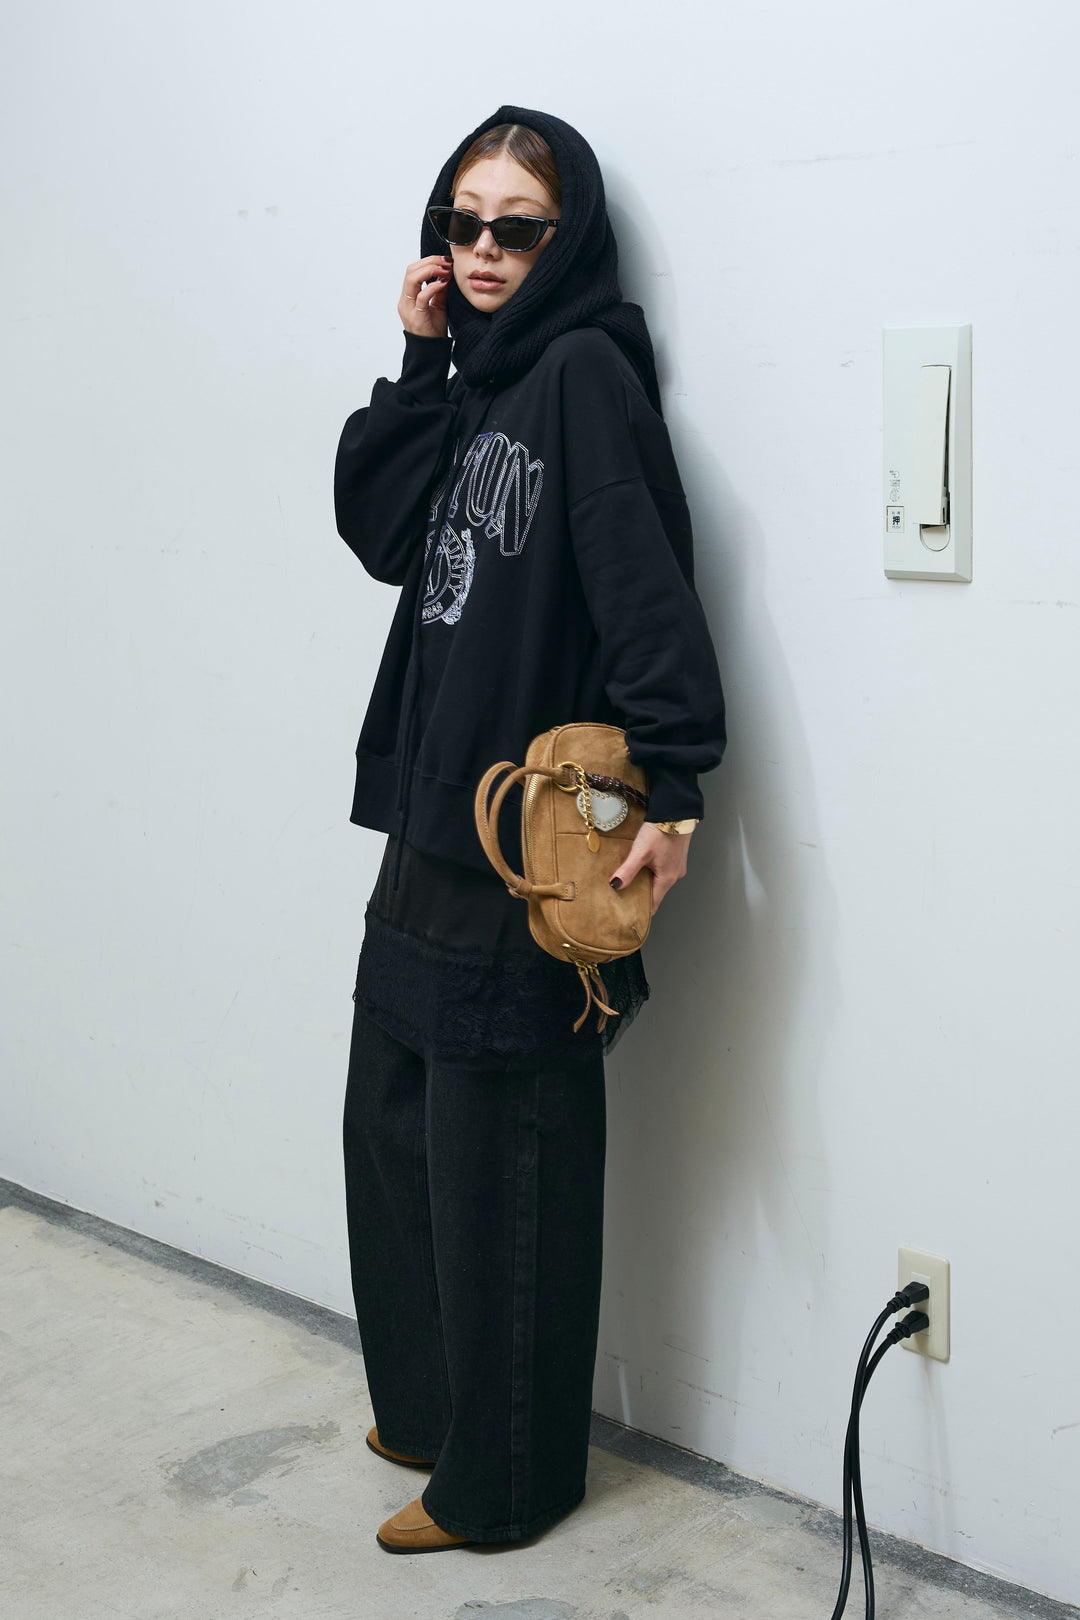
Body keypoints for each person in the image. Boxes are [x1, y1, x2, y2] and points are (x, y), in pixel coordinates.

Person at [335, 104, 727, 1554]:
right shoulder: (477, 378)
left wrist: (672, 791)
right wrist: (421, 355)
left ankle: (508, 1480)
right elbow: (380, 532)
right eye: (463, 222)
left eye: (517, 227)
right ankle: (433, 1411)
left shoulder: (582, 377)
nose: (485, 250)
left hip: (530, 843)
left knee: (507, 1161)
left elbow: (646, 583)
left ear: (568, 244)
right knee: (393, 1127)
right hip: (432, 816)